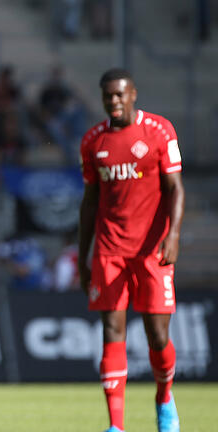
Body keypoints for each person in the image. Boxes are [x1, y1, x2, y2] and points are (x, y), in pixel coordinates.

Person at [78, 69, 185, 432]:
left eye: (121, 95)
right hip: (110, 249)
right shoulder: (93, 141)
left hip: (153, 250)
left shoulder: (159, 131)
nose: (115, 101)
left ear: (133, 94)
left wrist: (173, 237)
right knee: (112, 329)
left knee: (158, 336)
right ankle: (116, 426)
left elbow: (176, 189)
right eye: (109, 96)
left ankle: (164, 396)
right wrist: (84, 254)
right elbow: (89, 202)